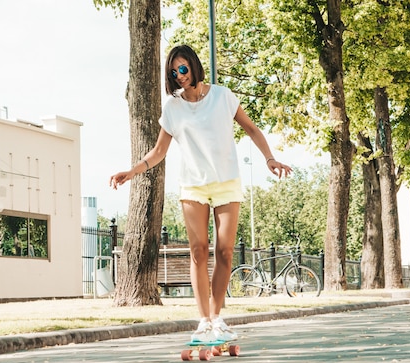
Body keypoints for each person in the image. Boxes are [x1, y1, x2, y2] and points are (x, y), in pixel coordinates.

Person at [109, 44, 292, 343]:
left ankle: (218, 318)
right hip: (193, 185)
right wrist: (131, 171)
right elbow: (158, 152)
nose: (179, 76)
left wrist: (269, 158)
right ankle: (203, 321)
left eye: (183, 69)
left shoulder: (222, 96)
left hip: (226, 182)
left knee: (224, 251)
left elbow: (251, 128)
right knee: (198, 251)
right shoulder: (173, 108)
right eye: (173, 72)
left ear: (194, 66)